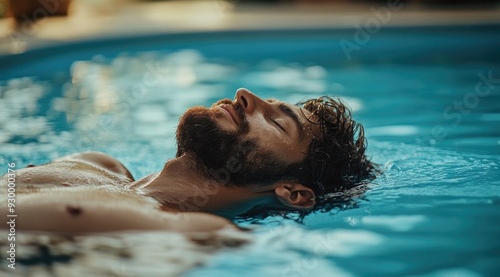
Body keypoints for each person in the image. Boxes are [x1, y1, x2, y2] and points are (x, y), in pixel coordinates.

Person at [0, 88, 375, 233]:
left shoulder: (195, 235)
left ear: (293, 192)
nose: (245, 95)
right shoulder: (98, 164)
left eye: (276, 122)